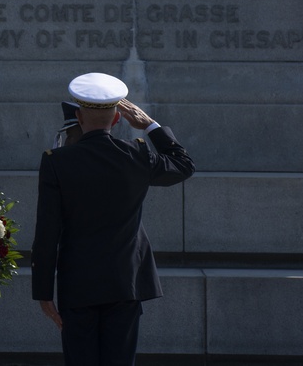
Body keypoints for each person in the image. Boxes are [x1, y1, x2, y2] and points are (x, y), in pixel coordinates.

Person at [31, 72, 195, 366]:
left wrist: (44, 293)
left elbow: (47, 232)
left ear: (78, 117)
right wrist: (150, 126)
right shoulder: (137, 155)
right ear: (118, 119)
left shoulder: (57, 162)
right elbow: (183, 165)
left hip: (77, 287)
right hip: (125, 284)